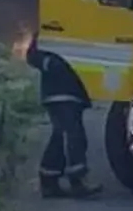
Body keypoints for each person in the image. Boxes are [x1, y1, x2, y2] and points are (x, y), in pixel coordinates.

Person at [26, 36, 102, 199]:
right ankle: (78, 179)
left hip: (72, 91)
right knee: (73, 134)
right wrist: (54, 65)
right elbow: (32, 56)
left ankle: (49, 178)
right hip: (59, 91)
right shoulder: (50, 30)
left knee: (60, 135)